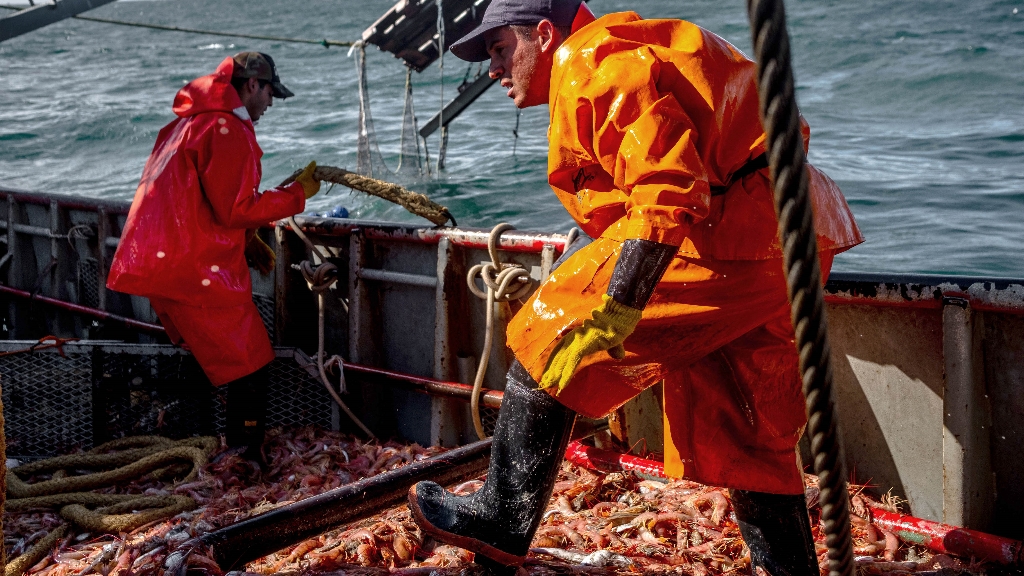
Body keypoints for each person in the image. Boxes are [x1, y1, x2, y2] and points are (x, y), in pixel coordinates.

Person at [408, 1, 864, 573]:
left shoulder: (590, 58)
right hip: (792, 233)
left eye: (501, 50)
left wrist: (619, 306)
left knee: (549, 331)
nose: (494, 70)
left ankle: (501, 518)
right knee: (746, 424)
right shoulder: (624, 49)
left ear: (545, 35)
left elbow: (666, 190)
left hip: (729, 232)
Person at [107, 52, 321, 462]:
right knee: (253, 358)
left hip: (162, 261)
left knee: (209, 356)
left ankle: (203, 446)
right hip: (192, 267)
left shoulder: (189, 122)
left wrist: (244, 241)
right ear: (253, 85)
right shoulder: (225, 127)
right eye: (270, 93)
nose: (270, 104)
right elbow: (234, 208)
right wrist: (298, 196)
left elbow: (198, 200)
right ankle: (244, 455)